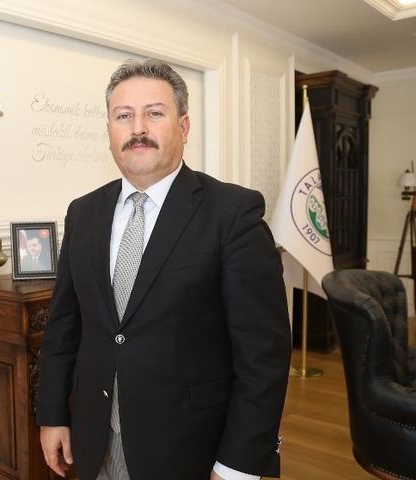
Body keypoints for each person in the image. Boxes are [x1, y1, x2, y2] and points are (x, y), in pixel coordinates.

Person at [36, 59, 291, 480]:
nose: (138, 128)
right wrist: (52, 415)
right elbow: (64, 328)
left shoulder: (233, 213)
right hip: (94, 436)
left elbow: (263, 354)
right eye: (124, 116)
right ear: (109, 130)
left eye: (154, 113)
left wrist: (237, 465)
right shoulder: (82, 213)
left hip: (190, 447)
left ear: (183, 127)